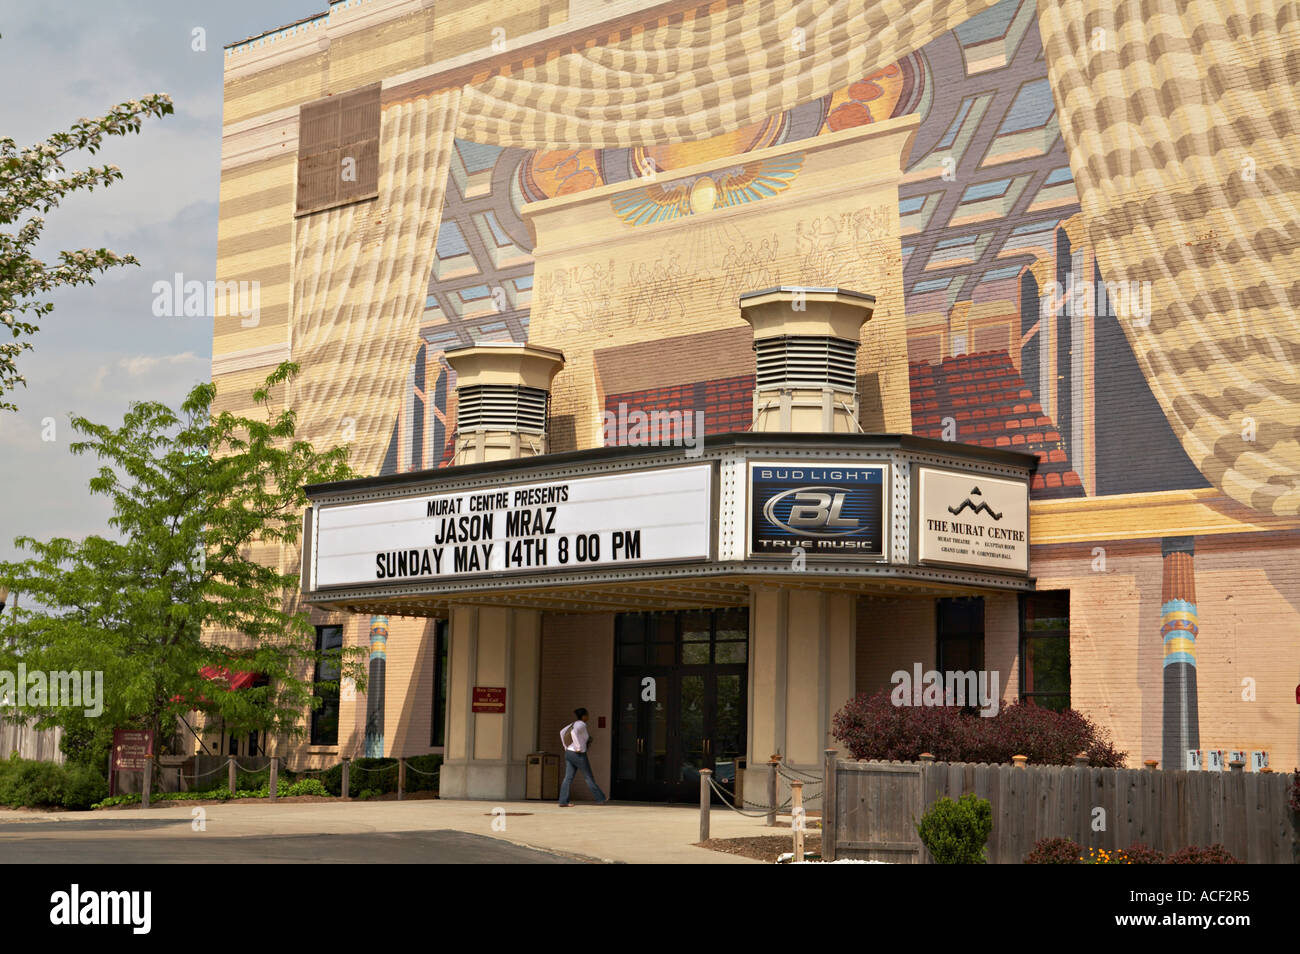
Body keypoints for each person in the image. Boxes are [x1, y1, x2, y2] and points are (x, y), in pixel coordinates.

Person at [558, 707, 607, 806]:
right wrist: (578, 747)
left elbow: (562, 732)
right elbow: (573, 733)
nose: (588, 717)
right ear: (584, 716)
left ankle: (563, 801)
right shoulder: (581, 724)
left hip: (569, 753)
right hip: (578, 754)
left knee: (568, 778)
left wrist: (565, 746)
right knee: (588, 777)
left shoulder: (574, 723)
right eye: (587, 715)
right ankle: (600, 799)